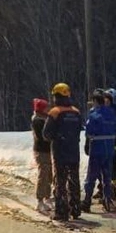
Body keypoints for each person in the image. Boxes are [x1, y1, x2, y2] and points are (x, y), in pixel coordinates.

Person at [42, 82, 83, 222]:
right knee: (74, 181)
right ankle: (76, 209)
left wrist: (57, 137)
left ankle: (61, 212)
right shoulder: (76, 112)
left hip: (60, 153)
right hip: (74, 152)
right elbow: (79, 130)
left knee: (60, 182)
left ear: (56, 96)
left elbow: (46, 134)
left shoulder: (54, 112)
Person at [82, 88, 116, 213]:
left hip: (97, 149)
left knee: (91, 176)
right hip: (110, 149)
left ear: (96, 101)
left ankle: (87, 201)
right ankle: (107, 200)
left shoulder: (94, 115)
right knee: (107, 177)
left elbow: (89, 132)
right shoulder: (112, 113)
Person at [92, 88, 116, 201]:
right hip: (104, 147)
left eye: (106, 100)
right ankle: (103, 190)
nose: (104, 102)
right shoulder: (105, 112)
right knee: (101, 170)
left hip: (114, 149)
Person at [31, 98, 52, 213]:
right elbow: (42, 137)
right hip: (41, 151)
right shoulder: (37, 121)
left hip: (48, 151)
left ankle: (47, 197)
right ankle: (40, 199)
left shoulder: (45, 119)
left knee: (49, 174)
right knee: (43, 174)